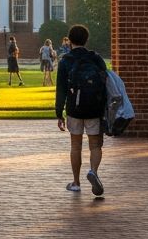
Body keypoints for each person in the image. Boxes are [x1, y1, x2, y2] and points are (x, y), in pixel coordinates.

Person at [55, 23, 108, 196]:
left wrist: (59, 113)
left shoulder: (66, 60)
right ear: (86, 39)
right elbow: (105, 82)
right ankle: (93, 171)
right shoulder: (96, 58)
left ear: (69, 40)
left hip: (74, 108)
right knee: (95, 144)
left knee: (75, 145)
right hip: (94, 107)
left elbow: (61, 89)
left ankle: (76, 182)